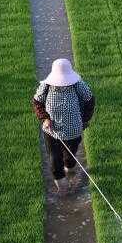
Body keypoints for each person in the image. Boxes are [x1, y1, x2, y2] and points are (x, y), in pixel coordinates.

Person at [32, 58, 95, 194]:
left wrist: (84, 120)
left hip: (73, 130)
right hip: (52, 131)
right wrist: (45, 118)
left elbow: (90, 100)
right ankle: (62, 185)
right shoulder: (46, 85)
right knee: (55, 159)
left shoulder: (78, 85)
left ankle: (70, 169)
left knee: (70, 156)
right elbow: (37, 102)